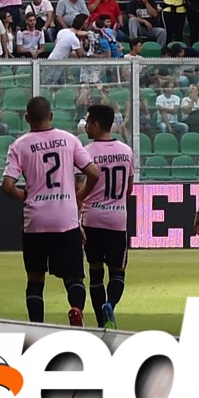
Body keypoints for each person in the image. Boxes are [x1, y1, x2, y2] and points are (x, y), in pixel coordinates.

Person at [0, 95, 87, 323]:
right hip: (65, 218)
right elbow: (94, 173)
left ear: (27, 118)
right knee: (73, 277)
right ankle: (76, 309)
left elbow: (7, 185)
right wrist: (78, 196)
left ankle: (37, 325)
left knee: (35, 279)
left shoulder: (19, 145)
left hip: (36, 220)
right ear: (51, 116)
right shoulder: (69, 140)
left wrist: (23, 195)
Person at [75, 100, 135, 328]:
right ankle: (110, 304)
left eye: (88, 123)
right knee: (118, 271)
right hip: (117, 220)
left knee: (95, 272)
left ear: (97, 125)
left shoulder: (86, 153)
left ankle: (101, 322)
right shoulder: (126, 151)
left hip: (92, 219)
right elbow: (129, 189)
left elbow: (80, 186)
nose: (86, 127)